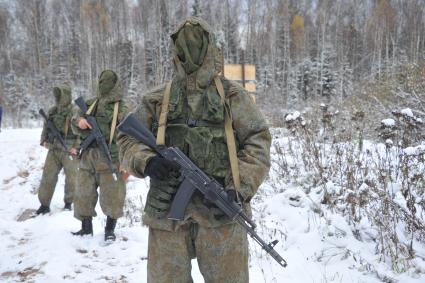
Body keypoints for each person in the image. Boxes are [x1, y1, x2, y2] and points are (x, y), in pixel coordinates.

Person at [117, 17, 271, 282]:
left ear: (210, 49)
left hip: (221, 214)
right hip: (167, 213)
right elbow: (126, 140)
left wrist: (239, 185)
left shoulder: (233, 97)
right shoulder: (157, 98)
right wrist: (147, 162)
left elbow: (258, 141)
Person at [71, 70, 128, 241]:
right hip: (87, 157)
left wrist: (126, 162)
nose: (103, 84)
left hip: (110, 157)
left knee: (113, 196)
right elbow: (74, 119)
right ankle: (85, 228)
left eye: (107, 81)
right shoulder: (90, 104)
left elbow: (130, 136)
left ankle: (109, 230)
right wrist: (79, 122)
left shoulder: (122, 107)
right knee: (83, 193)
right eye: (102, 81)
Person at [36, 84, 79, 215]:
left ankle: (68, 203)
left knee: (72, 178)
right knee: (48, 176)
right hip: (54, 148)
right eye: (57, 95)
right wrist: (43, 140)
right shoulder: (52, 111)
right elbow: (46, 126)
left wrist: (76, 147)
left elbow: (83, 132)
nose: (58, 98)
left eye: (60, 95)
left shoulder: (75, 111)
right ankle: (44, 204)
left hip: (69, 148)